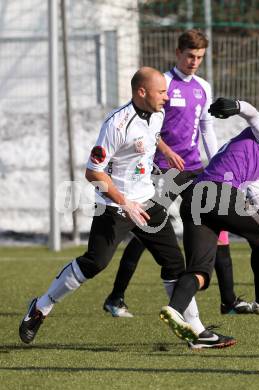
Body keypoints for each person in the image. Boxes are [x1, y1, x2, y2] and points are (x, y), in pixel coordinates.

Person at [18, 67, 235, 350]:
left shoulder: (157, 114)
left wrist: (167, 151)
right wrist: (125, 203)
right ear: (141, 92)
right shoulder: (115, 125)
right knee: (95, 263)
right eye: (161, 92)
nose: (167, 98)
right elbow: (93, 173)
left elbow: (151, 135)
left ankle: (196, 332)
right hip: (114, 205)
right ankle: (41, 306)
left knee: (174, 264)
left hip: (148, 203)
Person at [102, 29, 252, 321]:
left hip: (195, 168)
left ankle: (229, 300)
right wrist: (167, 150)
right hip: (161, 171)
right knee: (148, 228)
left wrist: (217, 161)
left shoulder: (203, 87)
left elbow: (207, 128)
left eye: (199, 57)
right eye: (190, 56)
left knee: (215, 220)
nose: (194, 62)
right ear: (178, 54)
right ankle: (116, 297)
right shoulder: (164, 83)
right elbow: (146, 126)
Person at [159, 98, 259, 342]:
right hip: (217, 194)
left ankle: (174, 309)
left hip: (195, 200)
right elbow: (254, 114)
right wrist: (236, 106)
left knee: (200, 274)